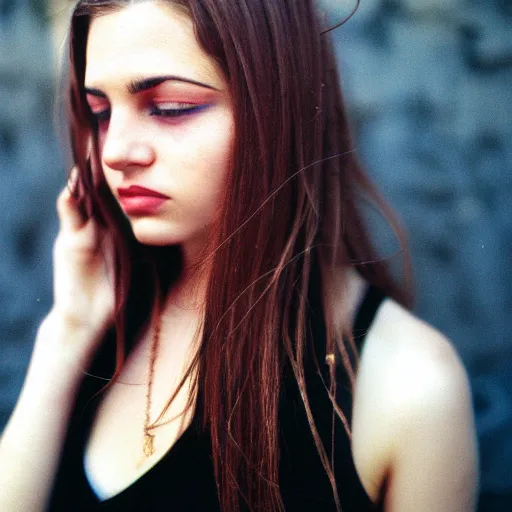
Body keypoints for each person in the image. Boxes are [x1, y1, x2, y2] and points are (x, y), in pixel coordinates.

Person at [0, 0, 478, 510]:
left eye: (171, 107)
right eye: (100, 112)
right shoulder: (107, 317)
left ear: (279, 109)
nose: (115, 150)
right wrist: (68, 330)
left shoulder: (410, 384)